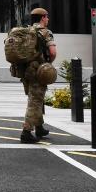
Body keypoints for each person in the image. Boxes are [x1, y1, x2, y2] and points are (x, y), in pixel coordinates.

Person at [20, 8, 57, 143]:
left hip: (25, 71)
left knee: (36, 98)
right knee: (35, 101)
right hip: (39, 71)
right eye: (47, 17)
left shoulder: (26, 31)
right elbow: (52, 52)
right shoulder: (45, 32)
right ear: (42, 17)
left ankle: (39, 127)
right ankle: (26, 131)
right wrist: (47, 65)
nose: (48, 19)